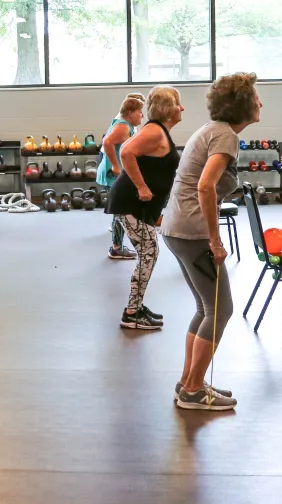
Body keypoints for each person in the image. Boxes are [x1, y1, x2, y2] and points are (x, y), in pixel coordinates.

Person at [160, 72, 261, 411]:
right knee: (220, 309)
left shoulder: (210, 130)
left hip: (177, 228)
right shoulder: (224, 136)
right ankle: (191, 390)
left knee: (207, 308)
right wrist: (215, 240)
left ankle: (190, 381)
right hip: (192, 231)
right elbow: (205, 186)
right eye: (256, 98)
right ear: (242, 105)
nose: (260, 103)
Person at [107, 86, 184, 330]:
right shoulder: (154, 131)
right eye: (178, 104)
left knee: (149, 252)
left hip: (135, 205)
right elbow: (127, 151)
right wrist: (141, 187)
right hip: (129, 201)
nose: (182, 108)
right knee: (149, 251)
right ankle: (132, 312)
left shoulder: (159, 131)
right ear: (168, 109)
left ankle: (135, 307)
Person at [99, 93, 146, 260]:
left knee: (120, 211)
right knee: (121, 211)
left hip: (118, 174)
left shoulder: (125, 124)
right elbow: (107, 142)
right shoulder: (123, 126)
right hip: (114, 175)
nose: (142, 115)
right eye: (140, 111)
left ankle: (117, 245)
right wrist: (116, 165)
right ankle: (116, 248)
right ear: (130, 112)